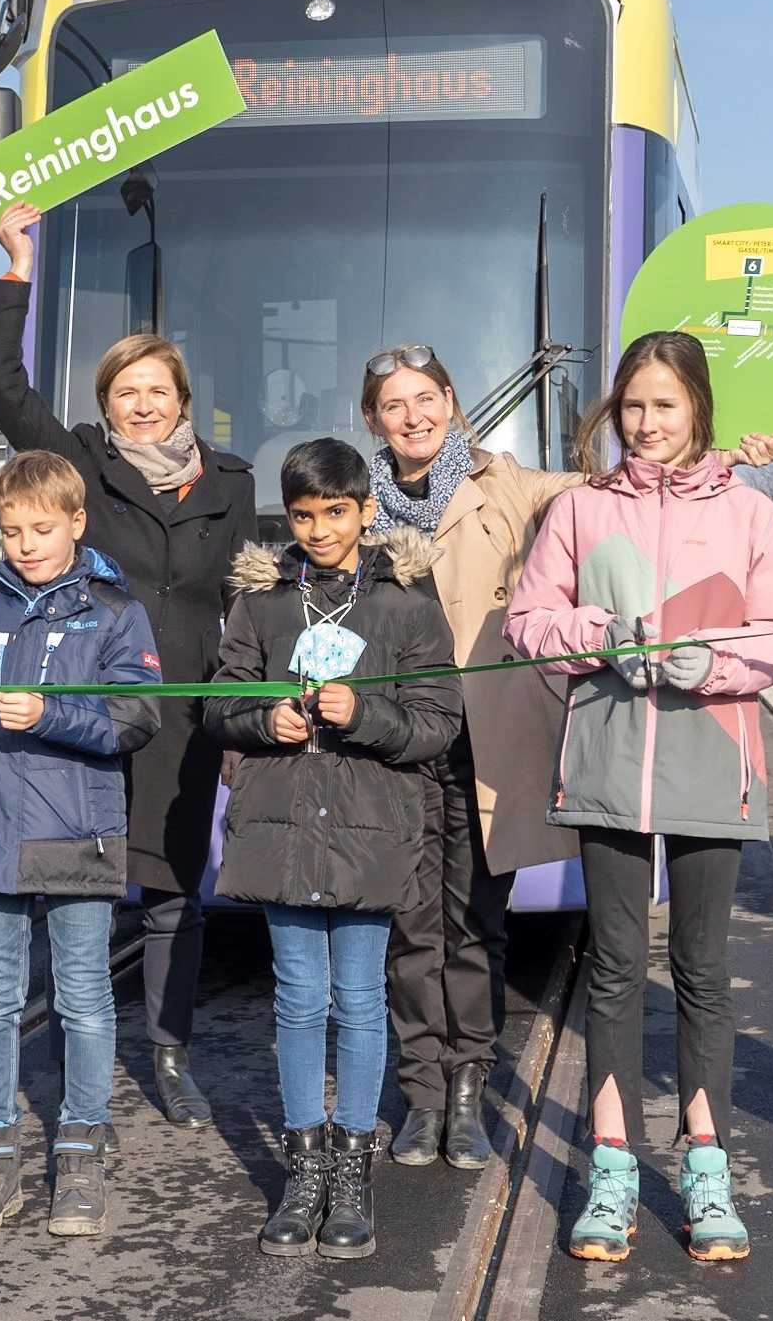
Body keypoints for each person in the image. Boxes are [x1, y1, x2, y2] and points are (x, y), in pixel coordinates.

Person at [359, 343, 773, 1170]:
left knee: (480, 922)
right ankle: (421, 1094)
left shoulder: (513, 483)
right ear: (373, 419)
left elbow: (640, 489)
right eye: (393, 405)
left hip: (485, 731)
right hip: (391, 729)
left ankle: (466, 1090)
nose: (412, 416)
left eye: (426, 398)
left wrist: (724, 454)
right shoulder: (355, 501)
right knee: (410, 927)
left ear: (452, 401)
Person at [505, 332, 773, 1266]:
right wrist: (609, 633)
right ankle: (612, 1167)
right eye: (633, 405)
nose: (645, 424)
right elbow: (528, 621)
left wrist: (713, 661)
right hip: (603, 761)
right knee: (610, 968)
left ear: (698, 411)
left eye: (665, 406)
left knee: (703, 969)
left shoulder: (751, 514)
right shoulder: (579, 509)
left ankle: (707, 1165)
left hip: (712, 757)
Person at [0, 202, 257, 1129]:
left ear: (184, 398)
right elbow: (1, 386)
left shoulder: (234, 481)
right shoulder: (81, 465)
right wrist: (16, 269)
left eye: (158, 390)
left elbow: (248, 594)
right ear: (106, 403)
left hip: (188, 709)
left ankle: (168, 1053)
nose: (143, 404)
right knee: (75, 877)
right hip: (93, 705)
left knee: (177, 893)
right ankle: (70, 1048)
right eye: (126, 391)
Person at [206, 439, 462, 1261]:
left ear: (366, 511)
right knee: (295, 1000)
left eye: (335, 513)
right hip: (283, 829)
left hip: (371, 831)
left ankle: (351, 1170)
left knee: (358, 998)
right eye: (305, 515)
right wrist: (260, 720)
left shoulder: (407, 603)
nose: (318, 530)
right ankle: (303, 1169)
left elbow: (438, 722)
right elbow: (218, 701)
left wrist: (368, 716)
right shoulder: (262, 602)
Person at [0, 451, 163, 1239]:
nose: (25, 543)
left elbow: (138, 719)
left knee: (84, 996)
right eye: (12, 528)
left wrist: (50, 713)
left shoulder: (116, 612)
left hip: (81, 834)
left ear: (75, 523)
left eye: (42, 528)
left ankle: (81, 1150)